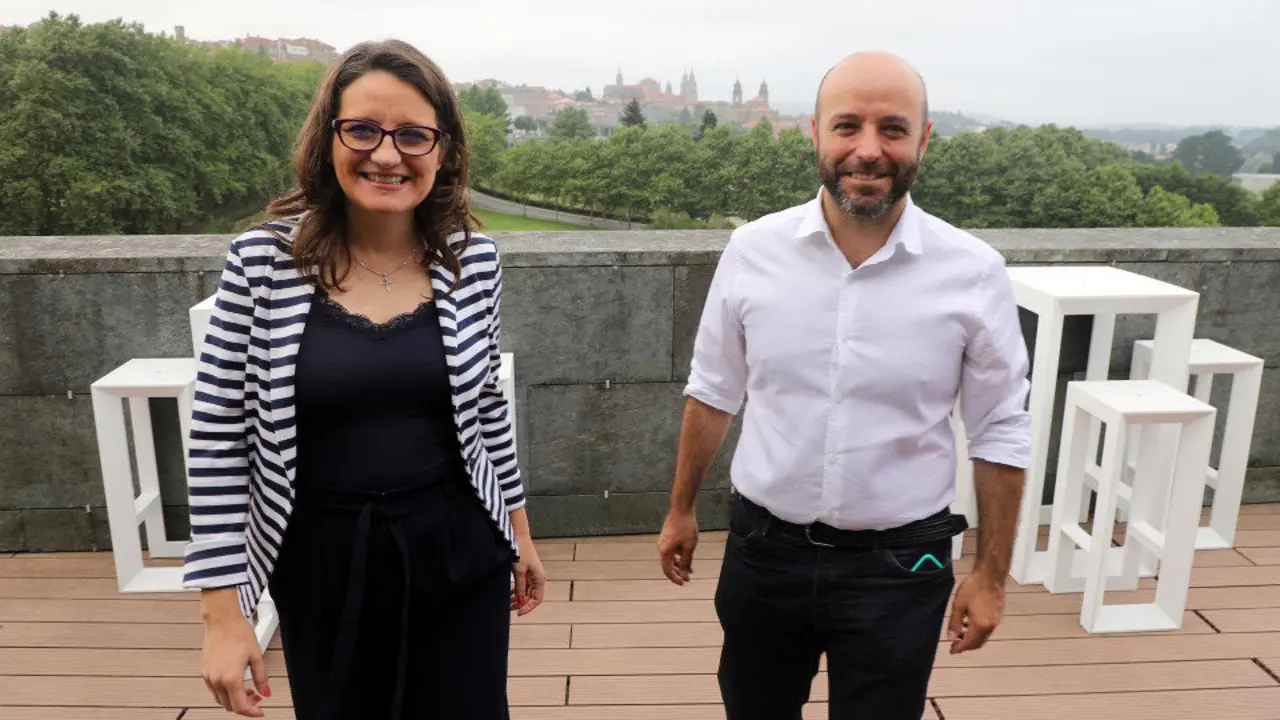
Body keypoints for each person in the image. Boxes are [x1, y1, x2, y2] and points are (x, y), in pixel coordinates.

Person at [657, 51, 1032, 720]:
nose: (867, 149)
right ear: (815, 135)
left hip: (903, 566)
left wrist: (989, 574)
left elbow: (1001, 427)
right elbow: (714, 389)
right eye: (847, 126)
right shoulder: (752, 252)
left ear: (924, 138)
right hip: (764, 554)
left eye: (891, 128)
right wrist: (680, 509)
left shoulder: (973, 272)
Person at [181, 39, 546, 719]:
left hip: (459, 544)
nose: (387, 154)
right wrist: (221, 616)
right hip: (323, 557)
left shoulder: (475, 260)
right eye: (363, 129)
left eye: (413, 134)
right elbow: (217, 439)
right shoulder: (262, 263)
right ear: (329, 139)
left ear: (444, 151)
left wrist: (519, 533)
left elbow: (487, 408)